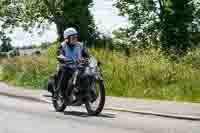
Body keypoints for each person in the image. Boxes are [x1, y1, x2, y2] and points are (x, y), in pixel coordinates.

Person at [56, 27, 90, 99]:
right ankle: (62, 93)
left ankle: (84, 91)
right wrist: (64, 59)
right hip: (65, 66)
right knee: (65, 71)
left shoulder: (81, 45)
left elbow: (86, 55)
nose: (75, 38)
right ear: (67, 38)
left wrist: (85, 59)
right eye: (73, 37)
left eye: (76, 36)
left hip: (77, 67)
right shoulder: (62, 45)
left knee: (87, 73)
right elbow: (59, 54)